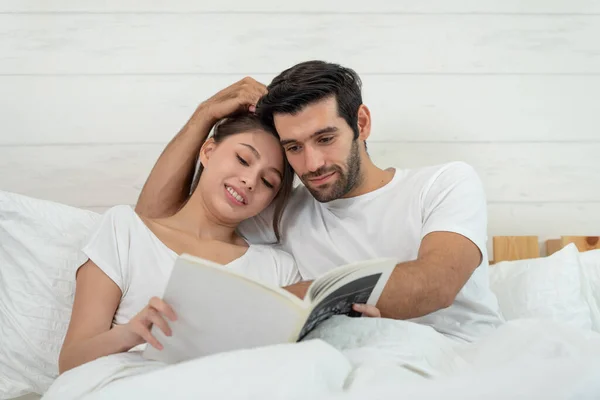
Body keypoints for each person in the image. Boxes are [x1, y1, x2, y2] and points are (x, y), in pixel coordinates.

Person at [136, 62, 504, 343]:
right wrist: (204, 115)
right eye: (294, 147)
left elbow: (436, 284)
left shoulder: (443, 183)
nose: (312, 164)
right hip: (371, 367)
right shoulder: (284, 212)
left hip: (468, 353)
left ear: (361, 123)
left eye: (325, 138)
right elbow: (157, 222)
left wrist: (278, 304)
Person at [58, 108, 302, 374]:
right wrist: (132, 333)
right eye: (243, 160)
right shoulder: (125, 229)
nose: (250, 181)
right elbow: (70, 361)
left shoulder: (278, 268)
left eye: (268, 182)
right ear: (208, 151)